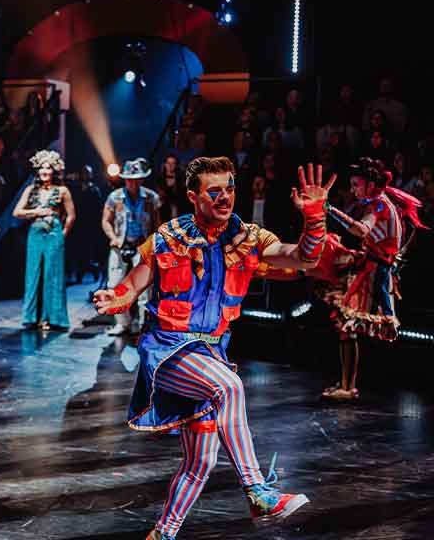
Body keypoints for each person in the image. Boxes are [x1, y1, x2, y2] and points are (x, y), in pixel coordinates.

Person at [94, 157, 330, 540]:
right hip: (168, 351)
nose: (225, 198)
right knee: (230, 387)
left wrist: (315, 217)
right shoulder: (170, 237)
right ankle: (258, 492)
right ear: (194, 196)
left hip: (209, 355)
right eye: (214, 191)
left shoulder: (248, 238)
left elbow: (303, 257)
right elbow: (133, 283)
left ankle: (162, 534)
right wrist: (115, 296)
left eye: (230, 188)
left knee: (200, 461)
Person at [320, 157, 426, 400]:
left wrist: (329, 209)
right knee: (346, 326)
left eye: (357, 184)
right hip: (373, 266)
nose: (354, 189)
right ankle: (347, 384)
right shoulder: (381, 202)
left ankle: (347, 387)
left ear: (370, 184)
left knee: (347, 327)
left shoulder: (378, 205)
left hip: (376, 272)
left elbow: (361, 230)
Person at [12, 150, 74, 330]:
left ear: (54, 170)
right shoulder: (31, 190)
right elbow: (17, 212)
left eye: (48, 168)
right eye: (42, 168)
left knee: (51, 275)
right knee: (33, 274)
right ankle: (32, 317)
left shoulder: (62, 190)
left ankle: (51, 318)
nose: (45, 171)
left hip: (54, 234)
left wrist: (63, 234)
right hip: (35, 233)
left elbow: (71, 216)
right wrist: (36, 212)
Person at [101, 158, 161, 335]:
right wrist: (113, 237)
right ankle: (123, 322)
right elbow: (105, 221)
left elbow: (157, 224)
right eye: (129, 179)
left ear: (142, 179)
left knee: (143, 289)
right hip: (120, 245)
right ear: (124, 179)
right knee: (114, 285)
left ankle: (144, 324)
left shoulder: (151, 198)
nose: (133, 183)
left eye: (136, 179)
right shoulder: (115, 197)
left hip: (142, 246)